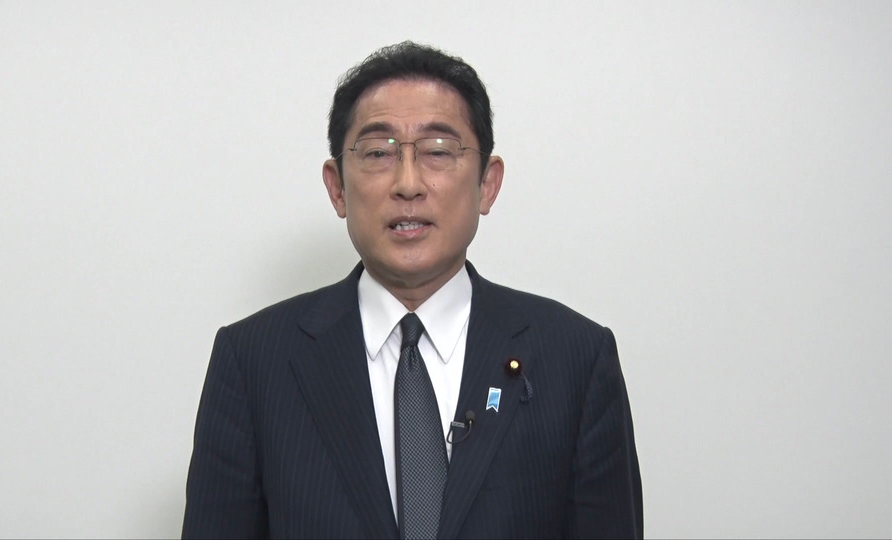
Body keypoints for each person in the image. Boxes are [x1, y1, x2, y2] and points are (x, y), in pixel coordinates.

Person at [182, 41, 642, 539]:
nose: (407, 183)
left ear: (487, 184)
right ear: (337, 188)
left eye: (438, 151)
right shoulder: (253, 362)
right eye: (378, 153)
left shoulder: (575, 357)